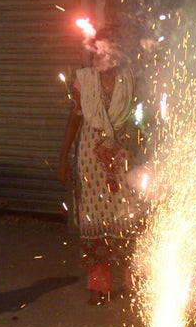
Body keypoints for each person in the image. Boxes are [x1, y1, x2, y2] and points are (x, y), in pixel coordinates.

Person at [57, 26, 141, 306]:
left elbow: (141, 121)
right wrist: (63, 159)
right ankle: (98, 285)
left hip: (123, 156)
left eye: (112, 48)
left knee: (129, 220)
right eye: (100, 48)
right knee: (95, 223)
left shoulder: (130, 79)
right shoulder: (85, 80)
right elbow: (75, 119)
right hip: (90, 159)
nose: (105, 54)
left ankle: (135, 282)